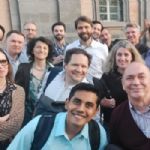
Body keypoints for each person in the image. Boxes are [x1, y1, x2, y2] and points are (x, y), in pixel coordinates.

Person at [7, 83, 108, 150]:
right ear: (67, 103)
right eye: (77, 102)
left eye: (89, 105)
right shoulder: (40, 125)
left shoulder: (98, 134)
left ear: (96, 111)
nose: (81, 109)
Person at [93, 40, 144, 132]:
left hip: (137, 124)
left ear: (132, 57)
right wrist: (102, 101)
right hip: (113, 124)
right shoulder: (106, 76)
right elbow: (96, 97)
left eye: (126, 55)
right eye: (119, 55)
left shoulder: (140, 76)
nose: (122, 58)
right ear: (114, 57)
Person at [35, 48, 92, 116]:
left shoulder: (88, 92)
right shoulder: (52, 74)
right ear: (65, 65)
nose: (79, 70)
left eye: (83, 66)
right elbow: (39, 97)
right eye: (75, 65)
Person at [109, 62, 150, 150]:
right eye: (129, 78)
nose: (136, 82)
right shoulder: (117, 115)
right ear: (123, 84)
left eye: (141, 77)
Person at [15, 36, 53, 126]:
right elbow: (17, 93)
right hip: (26, 116)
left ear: (48, 52)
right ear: (32, 50)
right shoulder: (23, 68)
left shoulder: (54, 71)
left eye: (45, 48)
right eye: (38, 47)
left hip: (47, 116)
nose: (42, 50)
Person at [66, 16, 108, 83]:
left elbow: (106, 70)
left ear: (91, 29)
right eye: (80, 28)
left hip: (96, 87)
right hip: (76, 87)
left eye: (86, 27)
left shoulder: (102, 48)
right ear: (76, 30)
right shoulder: (70, 48)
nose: (84, 30)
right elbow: (65, 70)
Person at [0, 48, 25, 150]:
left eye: (3, 62)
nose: (0, 66)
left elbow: (15, 124)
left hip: (9, 145)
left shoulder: (18, 90)